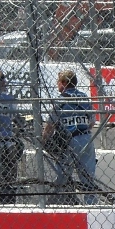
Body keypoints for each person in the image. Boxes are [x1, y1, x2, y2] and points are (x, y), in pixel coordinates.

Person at [43, 70, 97, 203]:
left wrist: (43, 139)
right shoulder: (84, 98)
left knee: (63, 174)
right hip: (85, 138)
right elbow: (92, 122)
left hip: (68, 141)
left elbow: (50, 125)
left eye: (59, 82)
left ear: (64, 83)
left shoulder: (60, 101)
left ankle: (63, 200)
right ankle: (91, 204)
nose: (57, 85)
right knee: (88, 175)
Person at [0, 71, 23, 205]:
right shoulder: (10, 100)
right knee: (10, 172)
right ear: (2, 83)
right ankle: (7, 201)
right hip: (7, 140)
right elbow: (14, 118)